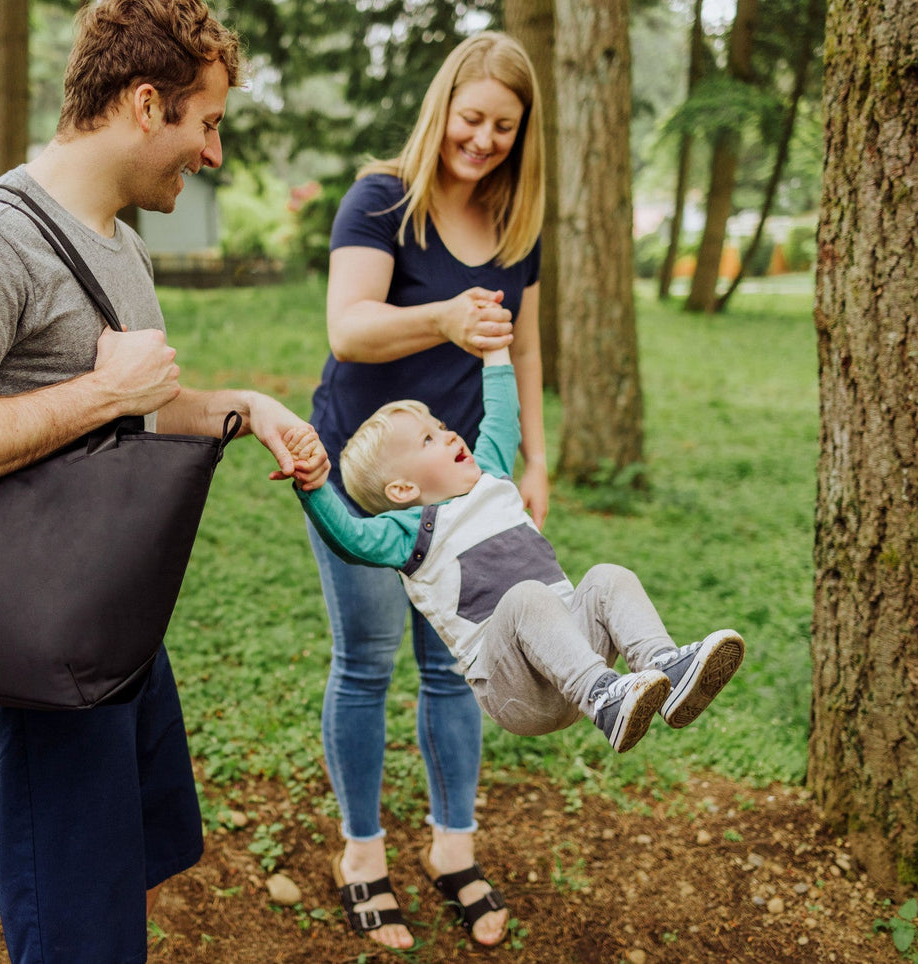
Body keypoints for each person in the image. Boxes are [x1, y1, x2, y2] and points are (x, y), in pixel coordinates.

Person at [0, 1, 328, 961]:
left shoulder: (114, 240)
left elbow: (136, 406)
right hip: (28, 650)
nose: (211, 153)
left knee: (120, 884)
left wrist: (244, 406)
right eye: (206, 123)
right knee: (73, 931)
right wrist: (97, 392)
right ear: (146, 103)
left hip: (105, 623)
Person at [305, 31, 547, 948]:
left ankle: (453, 848)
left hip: (465, 484)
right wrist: (444, 317)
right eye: (471, 118)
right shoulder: (383, 200)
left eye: (503, 128)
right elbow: (349, 327)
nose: (482, 140)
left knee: (454, 664)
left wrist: (533, 460)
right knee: (366, 663)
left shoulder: (513, 221)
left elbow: (522, 344)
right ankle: (361, 854)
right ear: (442, 106)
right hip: (366, 477)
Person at [287, 347, 745, 758]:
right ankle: (605, 696)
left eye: (441, 427)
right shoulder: (409, 532)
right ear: (403, 488)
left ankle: (665, 668)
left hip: (573, 660)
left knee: (607, 576)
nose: (447, 435)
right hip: (517, 690)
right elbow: (350, 537)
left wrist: (495, 351)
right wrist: (313, 485)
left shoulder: (492, 477)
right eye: (427, 440)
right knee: (527, 596)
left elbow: (501, 416)